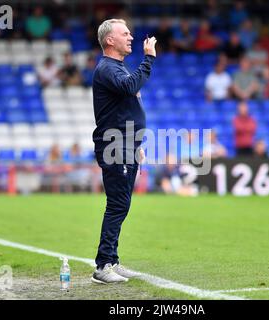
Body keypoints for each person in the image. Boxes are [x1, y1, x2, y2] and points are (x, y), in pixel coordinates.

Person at [91, 19, 157, 284]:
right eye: (125, 33)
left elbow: (125, 108)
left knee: (122, 205)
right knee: (118, 205)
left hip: (126, 144)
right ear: (110, 40)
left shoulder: (116, 68)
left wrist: (136, 144)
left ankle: (112, 260)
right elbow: (131, 88)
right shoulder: (107, 68)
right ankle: (103, 264)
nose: (131, 37)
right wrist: (148, 59)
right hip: (115, 144)